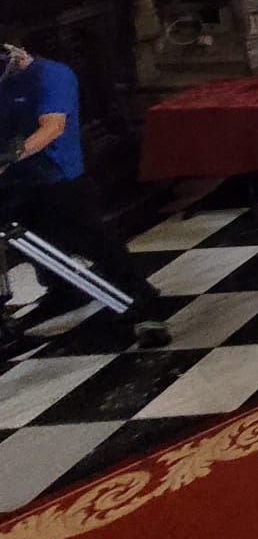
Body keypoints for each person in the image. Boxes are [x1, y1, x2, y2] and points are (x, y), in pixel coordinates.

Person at [0, 43, 166, 346]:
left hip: (57, 177)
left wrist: (8, 156)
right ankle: (61, 291)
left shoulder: (50, 75)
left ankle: (142, 301)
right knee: (26, 241)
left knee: (93, 242)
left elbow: (52, 126)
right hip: (15, 181)